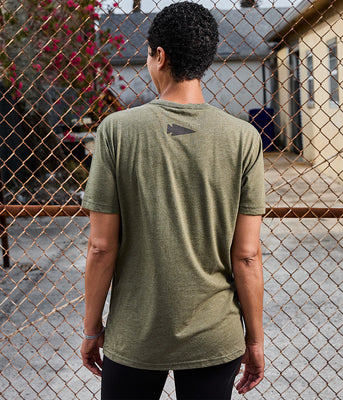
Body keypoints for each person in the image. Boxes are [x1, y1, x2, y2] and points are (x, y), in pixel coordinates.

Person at [80, 2, 265, 399]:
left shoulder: (116, 132)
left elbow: (100, 247)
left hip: (135, 336)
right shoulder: (243, 138)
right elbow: (247, 256)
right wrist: (254, 340)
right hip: (215, 336)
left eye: (148, 53)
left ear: (159, 55)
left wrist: (92, 328)